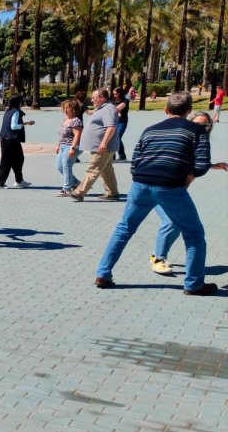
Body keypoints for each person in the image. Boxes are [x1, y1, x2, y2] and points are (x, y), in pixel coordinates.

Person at [92, 93, 219, 295]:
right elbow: (202, 163)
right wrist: (189, 176)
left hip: (140, 185)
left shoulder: (150, 130)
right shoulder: (197, 130)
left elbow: (135, 162)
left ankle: (103, 273)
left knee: (124, 229)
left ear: (166, 110)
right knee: (194, 234)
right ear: (188, 111)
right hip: (170, 187)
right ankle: (194, 284)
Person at [149, 112, 228, 273]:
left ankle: (157, 254)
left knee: (177, 224)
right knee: (170, 222)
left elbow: (196, 163)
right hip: (158, 186)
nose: (201, 127)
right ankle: (158, 259)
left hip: (175, 190)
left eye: (205, 125)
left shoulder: (200, 142)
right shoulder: (183, 138)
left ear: (209, 127)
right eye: (197, 124)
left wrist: (212, 166)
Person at [70, 89, 120, 202]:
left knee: (94, 168)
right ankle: (112, 193)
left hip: (102, 146)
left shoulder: (108, 108)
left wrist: (104, 142)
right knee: (106, 169)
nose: (92, 100)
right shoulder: (102, 108)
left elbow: (111, 127)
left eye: (94, 98)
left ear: (102, 98)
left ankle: (79, 192)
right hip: (100, 146)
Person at [0, 95, 34, 189]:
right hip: (10, 140)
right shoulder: (16, 111)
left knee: (18, 159)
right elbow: (14, 126)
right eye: (21, 101)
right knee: (6, 161)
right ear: (18, 102)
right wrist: (25, 124)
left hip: (8, 139)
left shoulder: (8, 111)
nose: (22, 103)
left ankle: (19, 180)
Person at [55, 99, 85, 195]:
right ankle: (76, 183)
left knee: (66, 167)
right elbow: (62, 135)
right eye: (64, 108)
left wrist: (73, 148)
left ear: (74, 109)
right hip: (63, 146)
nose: (65, 110)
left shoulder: (76, 121)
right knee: (59, 167)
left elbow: (77, 135)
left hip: (71, 146)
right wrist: (58, 145)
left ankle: (67, 188)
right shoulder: (65, 120)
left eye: (68, 108)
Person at [113, 87, 130, 162]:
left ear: (120, 93)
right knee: (112, 138)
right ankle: (112, 157)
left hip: (122, 122)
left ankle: (122, 157)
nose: (114, 96)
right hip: (114, 122)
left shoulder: (125, 101)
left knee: (117, 137)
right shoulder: (114, 101)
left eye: (116, 94)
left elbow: (117, 108)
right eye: (113, 94)